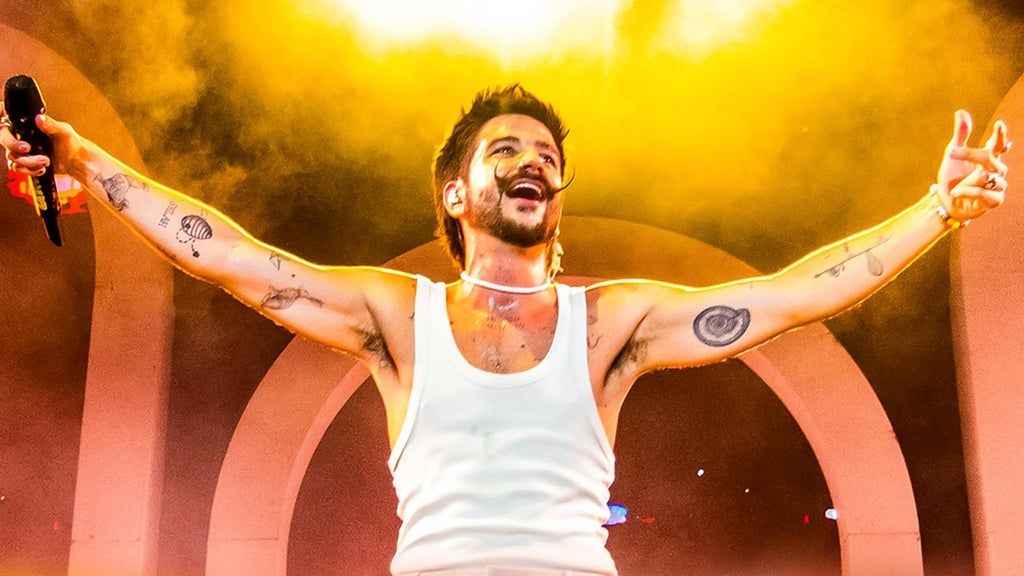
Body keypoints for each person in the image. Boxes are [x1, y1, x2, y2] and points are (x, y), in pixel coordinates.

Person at [1, 85, 1011, 576]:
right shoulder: (396, 318)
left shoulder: (609, 325)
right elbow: (231, 257)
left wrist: (936, 211)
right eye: (506, 149)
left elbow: (793, 297)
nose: (534, 162)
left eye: (547, 156)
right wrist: (88, 160)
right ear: (456, 192)